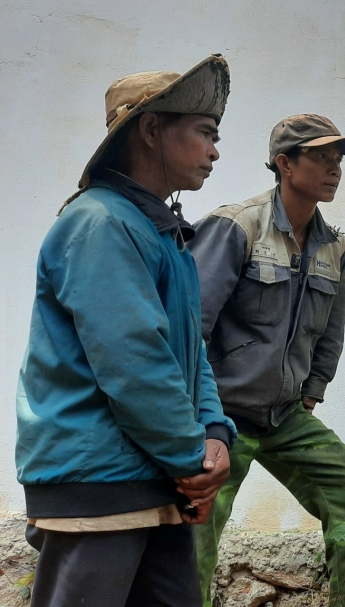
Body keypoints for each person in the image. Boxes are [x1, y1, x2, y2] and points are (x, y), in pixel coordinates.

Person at [15, 55, 238, 607]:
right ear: (151, 129)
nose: (215, 151)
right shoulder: (100, 223)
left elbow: (190, 354)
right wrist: (195, 463)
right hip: (100, 486)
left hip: (156, 478)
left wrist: (214, 433)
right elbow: (135, 364)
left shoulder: (161, 232)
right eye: (205, 133)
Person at [189, 114, 345, 607]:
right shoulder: (236, 226)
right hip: (221, 416)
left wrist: (312, 390)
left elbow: (330, 333)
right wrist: (201, 416)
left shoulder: (336, 247)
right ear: (284, 164)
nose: (334, 169)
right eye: (321, 157)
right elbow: (191, 326)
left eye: (338, 160)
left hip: (285, 416)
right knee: (193, 533)